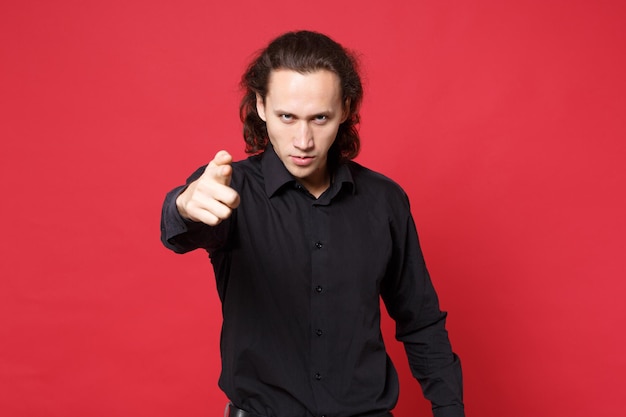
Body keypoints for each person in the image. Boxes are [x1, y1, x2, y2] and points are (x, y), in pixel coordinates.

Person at [160, 30, 464, 417]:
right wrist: (183, 205)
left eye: (319, 118)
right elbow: (182, 229)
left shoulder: (384, 200)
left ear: (346, 109)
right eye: (287, 116)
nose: (303, 140)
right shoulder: (226, 189)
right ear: (261, 105)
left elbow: (420, 321)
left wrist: (450, 408)